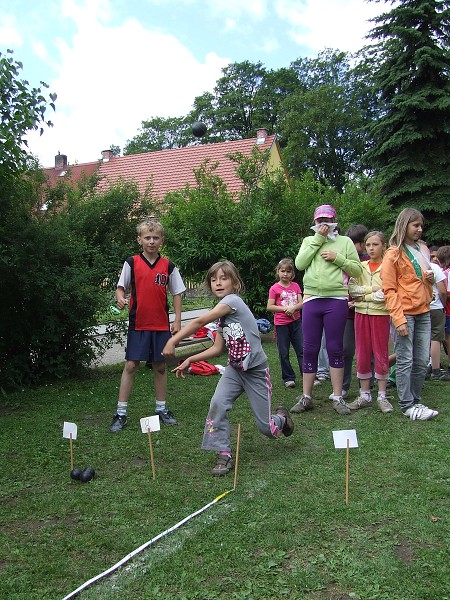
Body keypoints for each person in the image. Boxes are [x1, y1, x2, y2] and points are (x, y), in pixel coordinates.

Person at [162, 260, 294, 477]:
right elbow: (217, 349)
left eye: (224, 278)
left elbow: (199, 322)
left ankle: (281, 418)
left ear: (235, 282)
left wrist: (173, 341)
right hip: (234, 370)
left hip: (256, 372)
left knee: (267, 430)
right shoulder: (223, 317)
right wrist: (190, 360)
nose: (218, 283)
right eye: (213, 280)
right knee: (217, 405)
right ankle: (223, 453)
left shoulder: (232, 301)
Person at [109, 220, 186, 432]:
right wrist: (120, 298)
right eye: (147, 238)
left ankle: (161, 409)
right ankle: (121, 413)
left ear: (162, 240)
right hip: (138, 324)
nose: (151, 241)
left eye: (155, 238)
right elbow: (120, 288)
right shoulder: (131, 262)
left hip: (161, 325)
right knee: (131, 365)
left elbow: (177, 292)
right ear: (139, 240)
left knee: (160, 366)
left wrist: (178, 320)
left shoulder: (168, 266)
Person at [290, 204, 363, 416]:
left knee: (334, 347)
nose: (323, 224)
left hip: (336, 299)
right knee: (310, 347)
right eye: (319, 221)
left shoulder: (345, 242)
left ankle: (337, 397)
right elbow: (300, 264)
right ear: (314, 222)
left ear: (334, 222)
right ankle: (306, 397)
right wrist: (318, 240)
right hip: (312, 298)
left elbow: (357, 270)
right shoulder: (309, 240)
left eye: (327, 220)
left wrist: (337, 258)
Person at [381, 208, 438, 420]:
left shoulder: (421, 249)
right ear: (404, 225)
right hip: (405, 314)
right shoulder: (393, 253)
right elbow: (389, 289)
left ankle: (416, 401)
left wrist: (429, 282)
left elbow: (418, 280)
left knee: (422, 360)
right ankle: (407, 405)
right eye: (415, 225)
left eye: (421, 225)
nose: (420, 229)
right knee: (405, 360)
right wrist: (399, 319)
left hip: (424, 311)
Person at [347, 231, 393, 413]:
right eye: (368, 245)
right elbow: (352, 289)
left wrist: (364, 295)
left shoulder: (388, 267)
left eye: (375, 244)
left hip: (380, 315)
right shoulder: (361, 266)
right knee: (363, 353)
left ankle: (382, 395)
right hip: (360, 315)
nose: (371, 248)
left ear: (383, 246)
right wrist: (372, 290)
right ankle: (365, 394)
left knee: (381, 353)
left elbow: (385, 294)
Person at [267, 258, 303, 388]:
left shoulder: (296, 286)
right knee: (284, 352)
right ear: (278, 272)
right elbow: (270, 306)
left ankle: (307, 374)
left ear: (292, 273)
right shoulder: (274, 288)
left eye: (288, 271)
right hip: (281, 324)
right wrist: (284, 309)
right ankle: (288, 378)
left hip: (296, 323)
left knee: (301, 349)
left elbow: (302, 303)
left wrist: (294, 308)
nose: (285, 274)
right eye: (282, 271)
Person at [428, 252, 447, 380]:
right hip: (435, 307)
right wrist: (443, 303)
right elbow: (442, 290)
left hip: (419, 307)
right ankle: (435, 370)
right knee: (436, 338)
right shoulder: (434, 268)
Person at [435, 245, 450, 381]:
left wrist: (442, 301)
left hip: (449, 312)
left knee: (447, 339)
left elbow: (446, 292)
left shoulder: (447, 273)